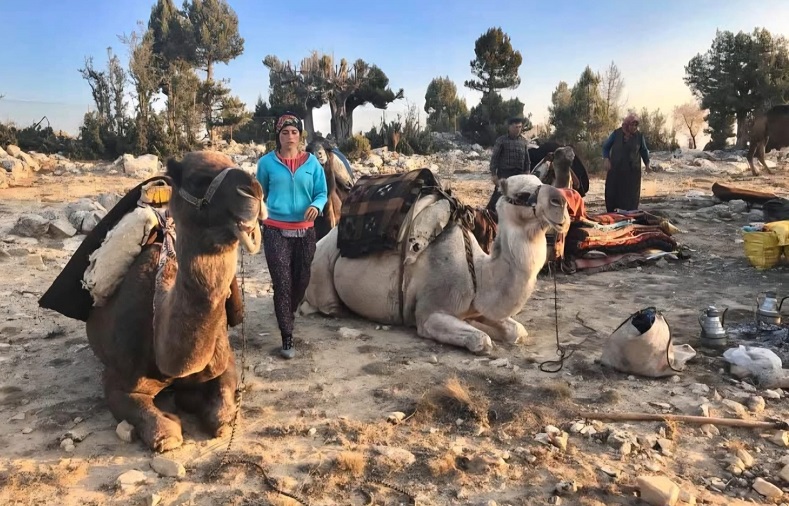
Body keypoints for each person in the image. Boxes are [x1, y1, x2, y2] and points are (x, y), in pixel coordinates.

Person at [256, 112, 328, 359]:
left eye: (294, 132)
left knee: (301, 280)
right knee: (282, 283)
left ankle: (289, 309)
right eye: (285, 132)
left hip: (305, 231)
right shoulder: (266, 164)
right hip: (275, 230)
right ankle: (287, 335)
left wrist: (317, 206)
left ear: (300, 135)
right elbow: (260, 195)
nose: (290, 136)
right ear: (278, 136)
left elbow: (322, 192)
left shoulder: (312, 164)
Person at [306, 137, 353, 240]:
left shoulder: (333, 158)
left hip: (333, 182)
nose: (319, 156)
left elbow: (346, 181)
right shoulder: (307, 163)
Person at [602, 113, 651, 213]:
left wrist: (647, 164)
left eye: (636, 125)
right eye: (632, 125)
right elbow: (606, 147)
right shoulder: (616, 134)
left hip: (632, 172)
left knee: (631, 197)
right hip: (616, 170)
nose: (634, 127)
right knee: (612, 193)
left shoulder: (639, 136)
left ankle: (630, 216)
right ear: (626, 124)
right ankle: (612, 214)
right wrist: (606, 159)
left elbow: (644, 151)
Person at [485, 117, 531, 214]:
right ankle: (489, 216)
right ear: (509, 127)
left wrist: (527, 172)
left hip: (519, 175)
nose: (518, 129)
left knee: (520, 200)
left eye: (520, 127)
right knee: (498, 198)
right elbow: (494, 159)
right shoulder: (501, 140)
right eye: (515, 127)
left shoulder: (523, 141)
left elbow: (527, 160)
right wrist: (494, 175)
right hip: (505, 175)